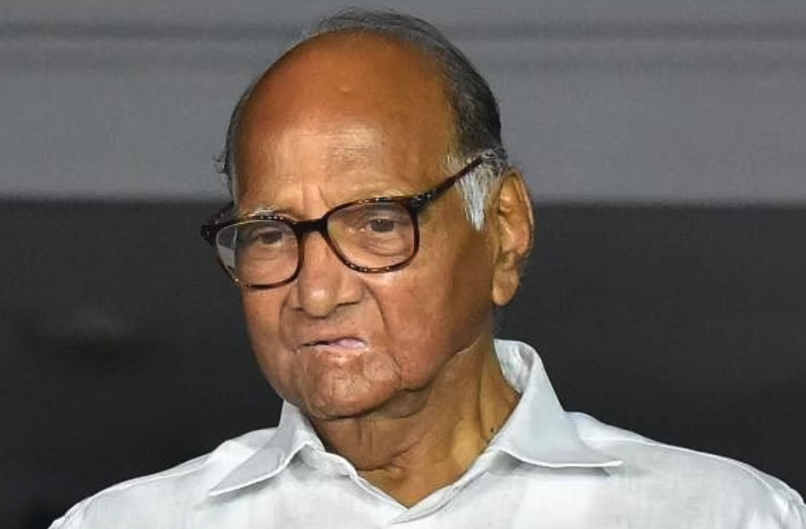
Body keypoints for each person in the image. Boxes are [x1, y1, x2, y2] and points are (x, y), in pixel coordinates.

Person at [50, 9, 805, 528]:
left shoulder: (721, 514)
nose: (317, 291)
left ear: (504, 229)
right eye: (271, 234)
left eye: (378, 223)